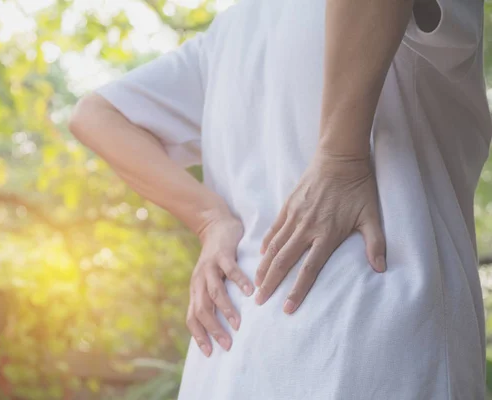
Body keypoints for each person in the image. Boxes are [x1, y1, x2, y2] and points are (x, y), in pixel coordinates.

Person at [69, 0, 491, 398]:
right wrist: (339, 158)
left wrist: (208, 218)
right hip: (368, 341)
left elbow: (97, 115)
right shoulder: (229, 33)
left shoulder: (229, 34)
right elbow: (95, 116)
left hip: (229, 357)